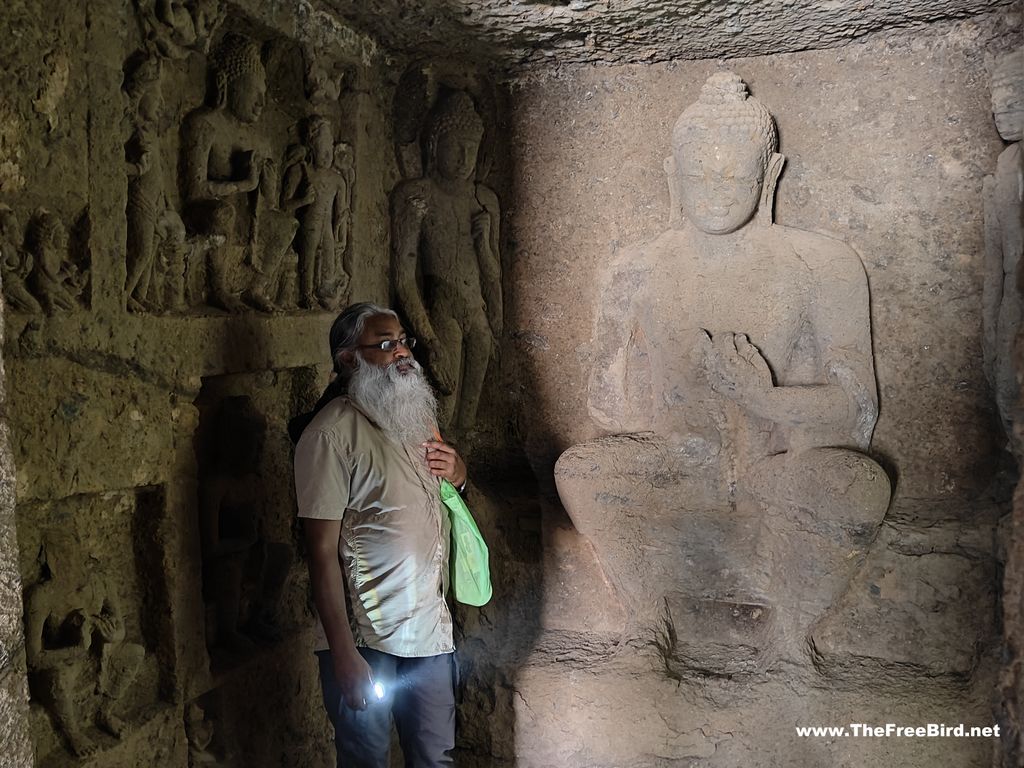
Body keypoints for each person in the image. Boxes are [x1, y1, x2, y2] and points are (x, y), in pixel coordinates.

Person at [293, 301, 468, 767]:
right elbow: (321, 554)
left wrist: (460, 472)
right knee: (366, 761)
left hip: (430, 634)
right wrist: (344, 657)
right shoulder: (329, 437)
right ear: (350, 359)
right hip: (366, 642)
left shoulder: (416, 418)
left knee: (435, 759)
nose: (403, 353)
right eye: (386, 344)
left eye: (404, 341)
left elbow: (447, 494)